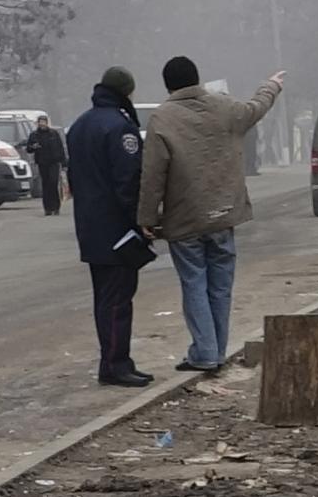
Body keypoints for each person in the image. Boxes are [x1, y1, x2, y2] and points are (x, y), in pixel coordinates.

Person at [138, 56, 284, 373]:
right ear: (197, 79)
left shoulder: (162, 118)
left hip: (184, 219)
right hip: (223, 215)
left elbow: (153, 175)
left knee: (194, 283)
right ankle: (216, 350)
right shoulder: (225, 107)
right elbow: (257, 107)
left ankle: (205, 352)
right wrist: (271, 86)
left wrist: (147, 217)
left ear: (168, 85)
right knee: (220, 286)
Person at [67, 66, 153, 388]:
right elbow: (128, 182)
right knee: (118, 300)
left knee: (104, 299)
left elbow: (74, 177)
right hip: (117, 230)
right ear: (126, 92)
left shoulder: (79, 125)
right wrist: (142, 222)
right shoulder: (120, 128)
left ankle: (114, 360)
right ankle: (116, 364)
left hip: (90, 226)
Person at [26, 116, 67, 216]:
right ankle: (47, 208)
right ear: (38, 123)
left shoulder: (53, 134)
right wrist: (33, 147)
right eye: (40, 122)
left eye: (44, 122)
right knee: (46, 185)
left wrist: (64, 163)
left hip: (54, 162)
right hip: (42, 163)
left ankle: (56, 207)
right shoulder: (34, 135)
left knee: (53, 183)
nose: (42, 124)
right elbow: (29, 149)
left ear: (46, 123)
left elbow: (60, 148)